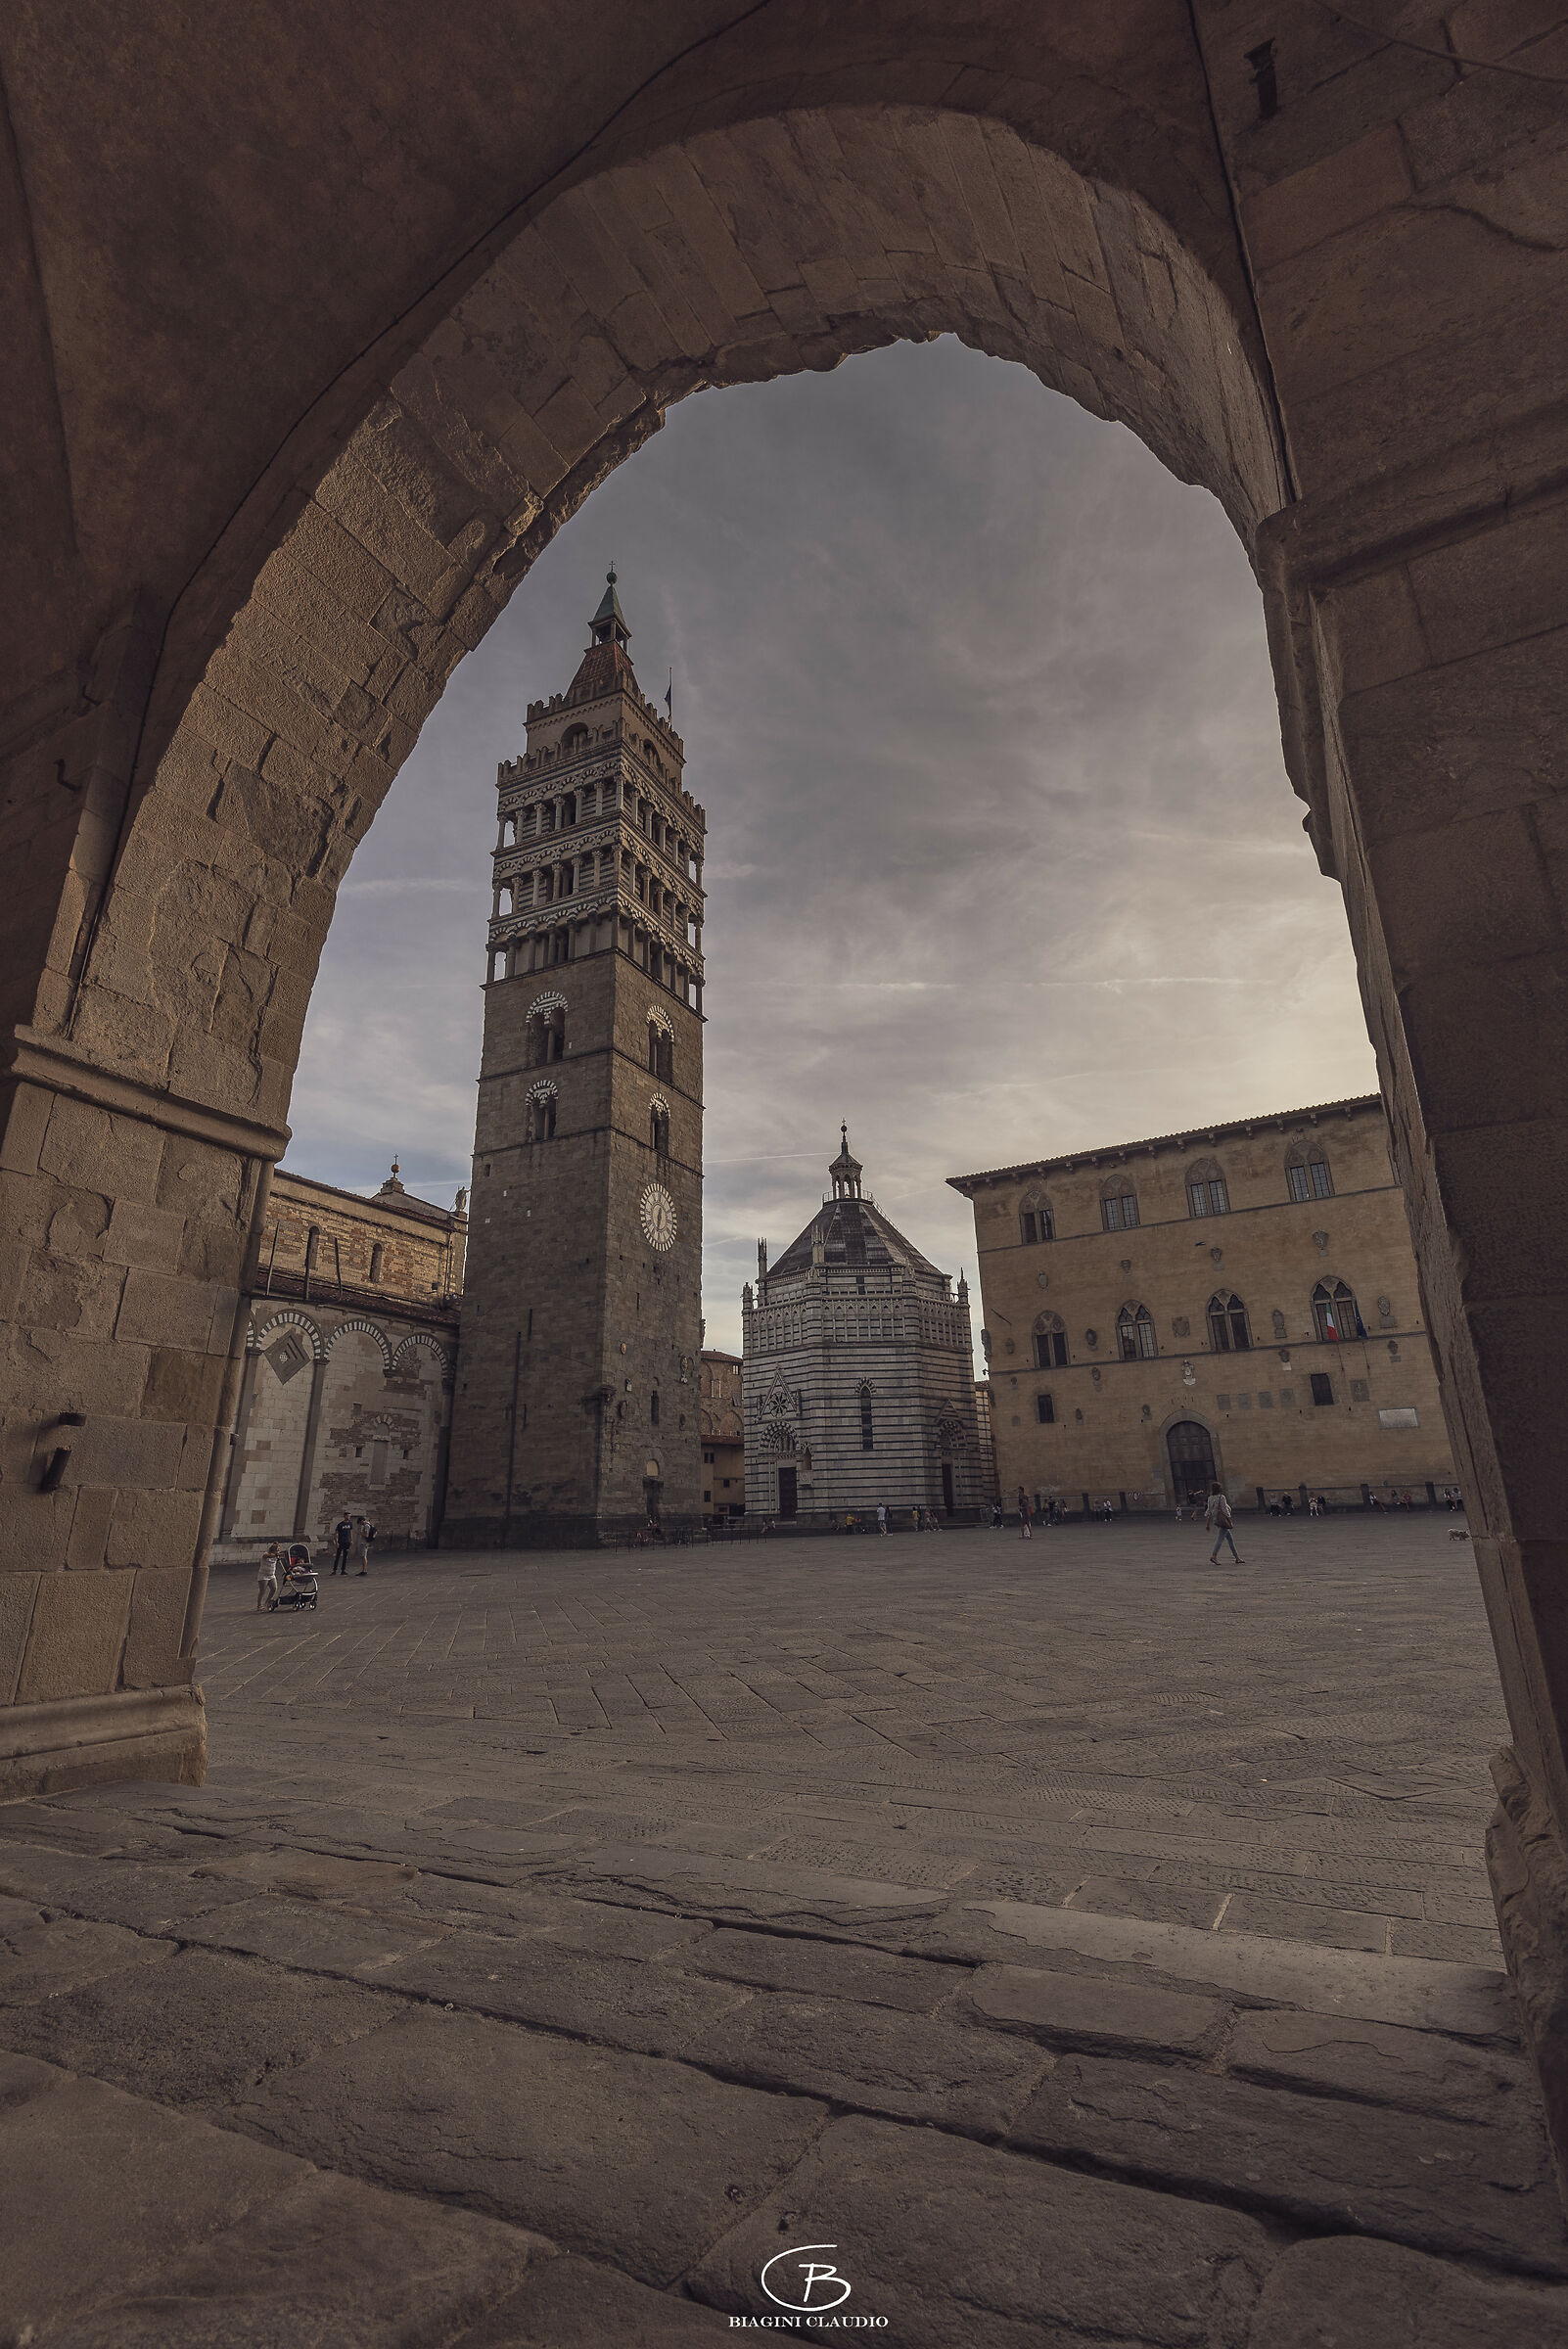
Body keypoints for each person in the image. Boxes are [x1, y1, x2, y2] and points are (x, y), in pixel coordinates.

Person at [1205, 1481, 1242, 1565]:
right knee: (1220, 1539)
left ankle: (1237, 1558)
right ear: (1219, 1489)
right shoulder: (1221, 1497)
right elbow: (1225, 1510)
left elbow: (1208, 1511)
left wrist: (1207, 1524)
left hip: (1216, 1520)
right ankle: (1214, 1556)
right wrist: (1230, 1521)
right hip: (1223, 1521)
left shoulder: (1210, 1498)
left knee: (1230, 1539)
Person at [256, 1543, 280, 1611]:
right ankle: (259, 1605)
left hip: (271, 1575)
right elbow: (268, 1556)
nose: (278, 1551)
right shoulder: (266, 1554)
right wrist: (276, 1555)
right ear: (273, 1550)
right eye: (277, 1550)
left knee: (274, 1588)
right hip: (263, 1575)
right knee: (262, 1591)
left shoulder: (276, 1556)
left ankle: (267, 1602)